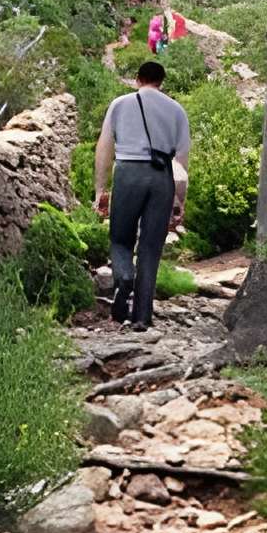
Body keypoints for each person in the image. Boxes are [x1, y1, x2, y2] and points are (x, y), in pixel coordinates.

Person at [94, 60, 190, 331]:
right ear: (162, 81)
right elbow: (181, 163)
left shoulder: (120, 104)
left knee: (120, 238)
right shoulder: (177, 110)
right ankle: (142, 317)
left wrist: (101, 190)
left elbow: (103, 151)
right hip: (162, 179)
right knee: (150, 248)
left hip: (128, 173)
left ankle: (123, 277)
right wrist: (178, 201)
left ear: (138, 79)